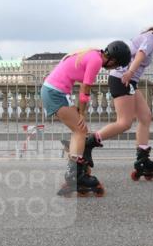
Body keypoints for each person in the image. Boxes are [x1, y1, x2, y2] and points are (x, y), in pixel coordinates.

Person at [83, 13, 153, 180]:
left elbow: (139, 49)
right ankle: (88, 143)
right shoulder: (149, 40)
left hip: (129, 81)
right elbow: (141, 55)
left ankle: (143, 159)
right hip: (123, 79)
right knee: (124, 123)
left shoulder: (149, 35)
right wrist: (129, 72)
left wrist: (131, 75)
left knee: (145, 116)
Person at [41, 41, 132, 195]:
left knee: (80, 131)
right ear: (113, 60)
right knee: (80, 130)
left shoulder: (93, 52)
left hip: (54, 91)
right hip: (55, 93)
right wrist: (82, 113)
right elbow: (85, 88)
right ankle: (74, 175)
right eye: (116, 66)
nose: (112, 69)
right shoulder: (96, 61)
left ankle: (76, 163)